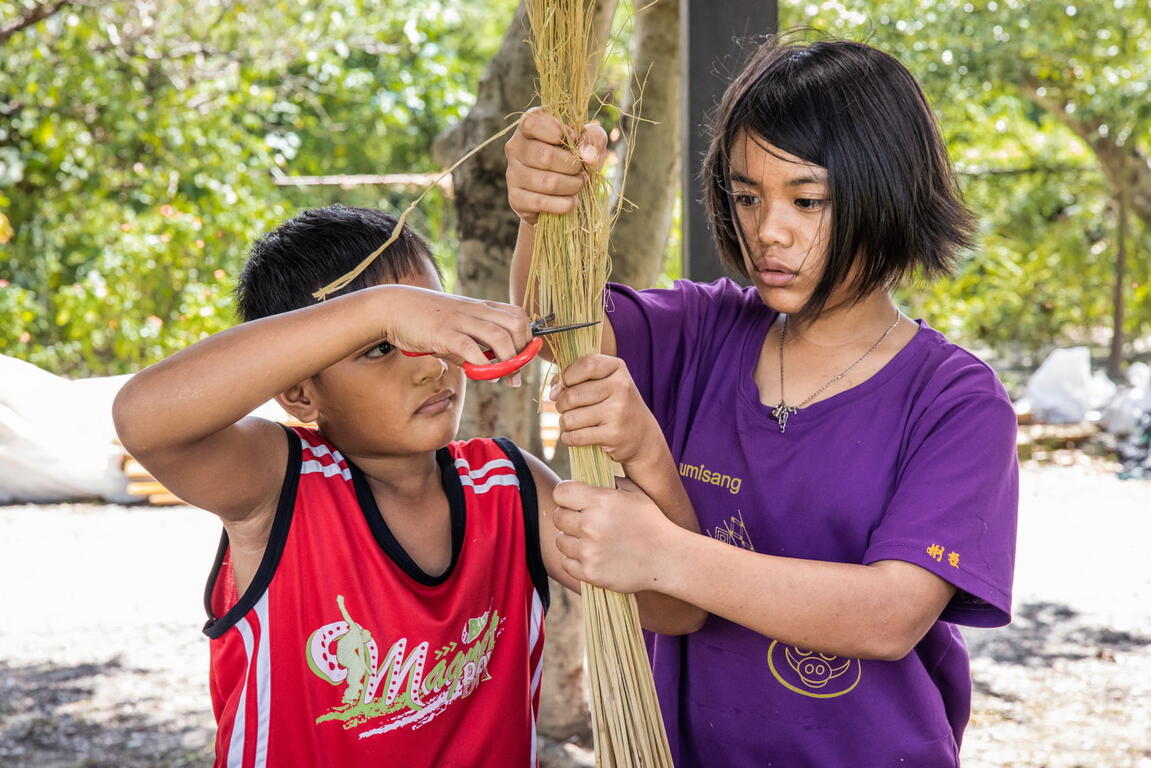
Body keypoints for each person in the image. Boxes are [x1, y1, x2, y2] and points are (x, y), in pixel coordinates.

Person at [505, 37, 1019, 766]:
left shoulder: (955, 401)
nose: (766, 230)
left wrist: (664, 556)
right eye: (746, 196)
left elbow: (888, 616)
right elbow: (555, 321)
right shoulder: (701, 330)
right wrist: (539, 209)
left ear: (890, 193)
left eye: (806, 200)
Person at [112, 204, 702, 767]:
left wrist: (646, 451)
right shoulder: (279, 487)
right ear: (299, 392)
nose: (429, 365)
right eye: (381, 348)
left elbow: (674, 606)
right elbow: (144, 417)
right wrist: (383, 306)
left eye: (433, 328)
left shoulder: (507, 487)